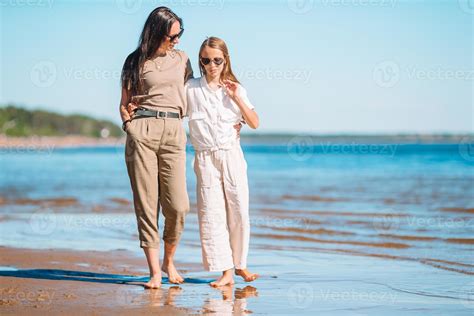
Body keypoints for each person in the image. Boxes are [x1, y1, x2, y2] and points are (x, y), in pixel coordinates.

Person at [118, 6, 193, 289]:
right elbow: (124, 102)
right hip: (143, 130)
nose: (177, 40)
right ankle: (154, 272)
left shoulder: (183, 59)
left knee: (178, 206)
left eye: (179, 35)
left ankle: (169, 260)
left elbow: (198, 92)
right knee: (147, 205)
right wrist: (130, 126)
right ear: (157, 32)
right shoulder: (134, 61)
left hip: (174, 131)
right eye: (173, 36)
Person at [186, 37, 260, 287]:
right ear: (201, 61)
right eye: (206, 60)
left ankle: (241, 264)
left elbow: (254, 122)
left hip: (231, 155)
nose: (212, 65)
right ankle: (226, 271)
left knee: (239, 209)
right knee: (212, 213)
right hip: (205, 157)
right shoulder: (191, 88)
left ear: (225, 59)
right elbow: (173, 111)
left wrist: (236, 98)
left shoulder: (237, 88)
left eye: (217, 60)